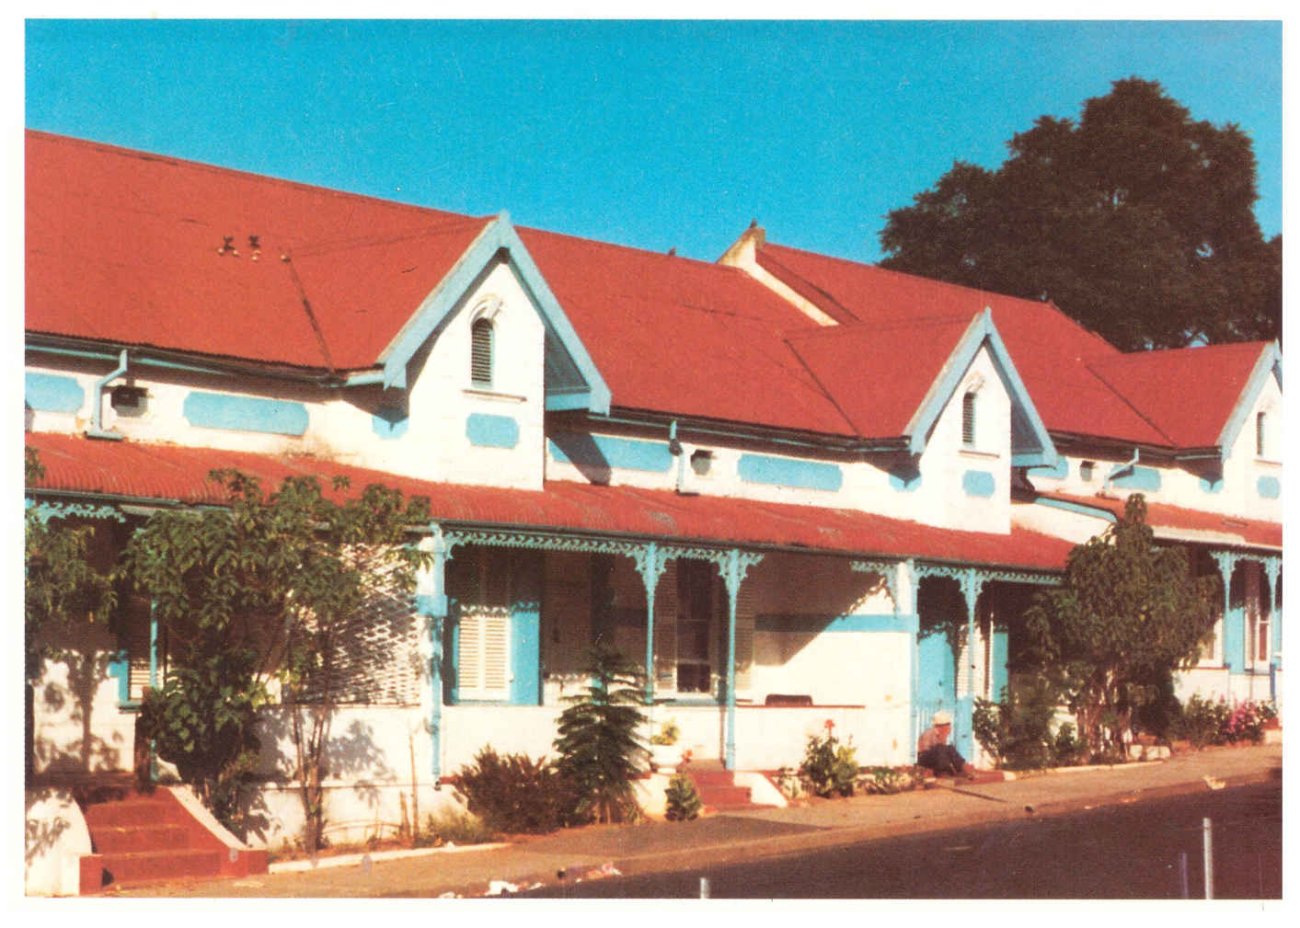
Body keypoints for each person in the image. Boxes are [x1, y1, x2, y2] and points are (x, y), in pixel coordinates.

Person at [917, 710, 974, 778]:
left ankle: (961, 768)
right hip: (924, 759)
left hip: (935, 758)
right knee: (940, 747)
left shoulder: (942, 735)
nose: (950, 728)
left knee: (950, 748)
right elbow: (924, 751)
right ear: (942, 726)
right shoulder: (928, 734)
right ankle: (943, 772)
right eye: (948, 726)